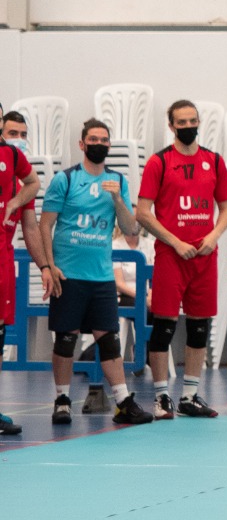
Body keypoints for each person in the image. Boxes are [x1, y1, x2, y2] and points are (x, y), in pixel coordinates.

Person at [39, 120, 152, 425]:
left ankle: (123, 402)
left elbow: (130, 229)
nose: (99, 144)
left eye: (104, 140)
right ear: (82, 143)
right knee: (66, 339)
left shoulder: (117, 181)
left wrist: (117, 199)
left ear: (109, 145)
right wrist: (49, 265)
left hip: (101, 277)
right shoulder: (65, 180)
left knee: (109, 340)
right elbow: (45, 225)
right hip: (69, 274)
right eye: (93, 139)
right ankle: (62, 400)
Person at [135, 99, 227, 420]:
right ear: (171, 126)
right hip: (171, 254)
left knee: (199, 326)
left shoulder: (214, 161)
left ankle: (190, 396)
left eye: (193, 121)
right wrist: (175, 242)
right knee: (164, 325)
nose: (189, 126)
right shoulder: (159, 162)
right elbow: (143, 213)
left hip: (204, 255)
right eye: (182, 122)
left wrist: (213, 236)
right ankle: (161, 398)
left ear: (199, 122)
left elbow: (226, 209)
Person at [2, 110, 57, 436]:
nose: (18, 140)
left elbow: (31, 227)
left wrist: (45, 267)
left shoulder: (17, 179)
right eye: (13, 133)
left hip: (3, 263)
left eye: (23, 134)